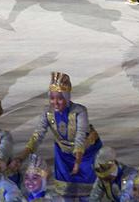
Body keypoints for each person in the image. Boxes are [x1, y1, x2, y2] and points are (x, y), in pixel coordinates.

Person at [11, 72, 104, 200]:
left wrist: (77, 161)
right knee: (64, 191)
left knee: (87, 191)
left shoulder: (79, 111)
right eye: (52, 98)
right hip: (63, 152)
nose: (55, 102)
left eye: (60, 98)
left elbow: (80, 136)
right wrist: (21, 157)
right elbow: (37, 136)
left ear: (67, 98)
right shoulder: (47, 113)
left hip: (86, 153)